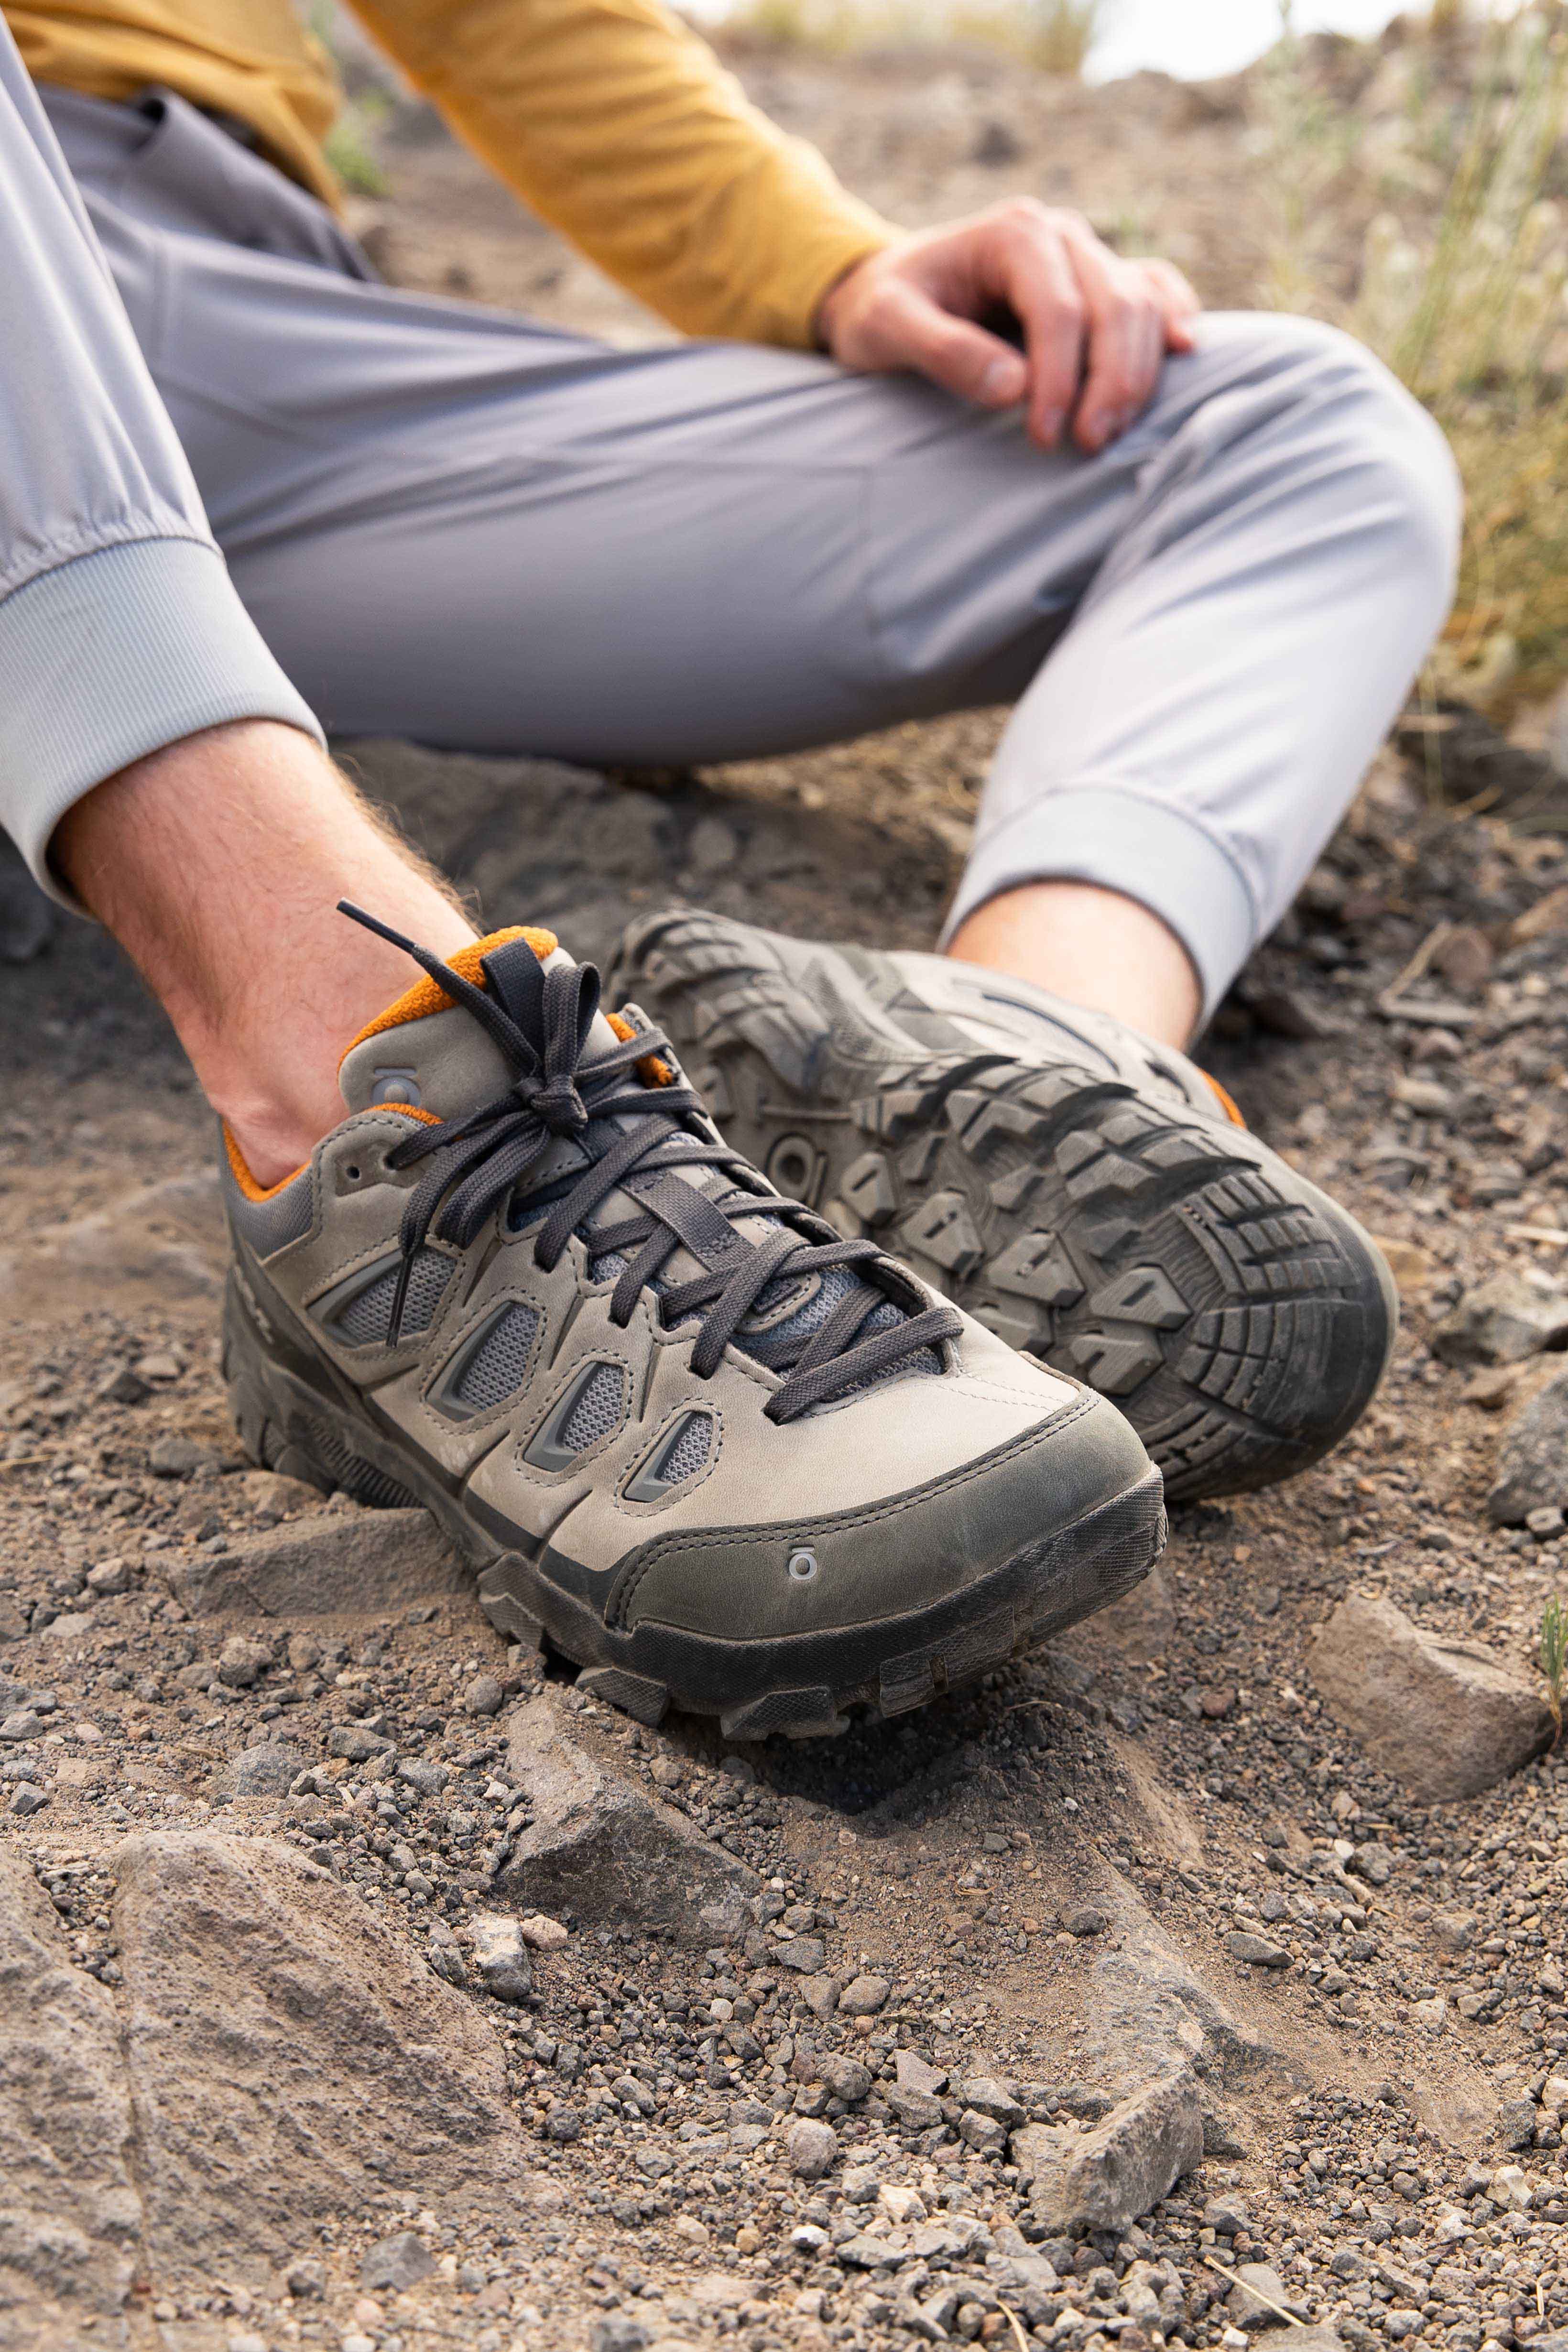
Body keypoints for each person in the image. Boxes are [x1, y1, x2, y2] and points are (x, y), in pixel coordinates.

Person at [0, 0, 1460, 1717]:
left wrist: (827, 266)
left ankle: (1013, 1041)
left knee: (1281, 426)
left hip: (216, 326)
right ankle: (360, 1086)